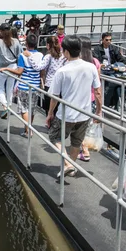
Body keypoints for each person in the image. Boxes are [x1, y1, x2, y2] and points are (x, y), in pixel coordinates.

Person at [46, 35, 101, 177]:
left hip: (66, 114)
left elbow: (54, 96)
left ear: (67, 52)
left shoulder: (62, 71)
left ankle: (68, 164)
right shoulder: (91, 67)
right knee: (77, 142)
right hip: (85, 113)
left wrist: (50, 113)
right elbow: (98, 91)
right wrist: (99, 111)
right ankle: (70, 167)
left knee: (54, 137)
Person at [1, 34, 43, 137]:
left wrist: (6, 69)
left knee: (24, 109)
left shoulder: (22, 55)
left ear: (26, 44)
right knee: (31, 109)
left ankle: (29, 130)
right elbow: (42, 71)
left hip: (24, 86)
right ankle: (27, 129)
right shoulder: (40, 55)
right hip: (35, 86)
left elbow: (19, 72)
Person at [24, 36, 66, 114]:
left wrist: (30, 56)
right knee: (58, 109)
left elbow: (38, 67)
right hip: (61, 84)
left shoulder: (48, 56)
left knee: (49, 108)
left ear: (48, 45)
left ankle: (49, 123)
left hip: (50, 84)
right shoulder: (63, 56)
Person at [78, 36, 102, 162]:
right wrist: (100, 109)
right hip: (92, 98)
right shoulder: (95, 62)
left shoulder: (77, 62)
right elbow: (97, 85)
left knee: (81, 125)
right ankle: (85, 148)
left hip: (79, 99)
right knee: (88, 125)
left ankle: (85, 150)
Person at [0, 23, 23, 118]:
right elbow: (19, 55)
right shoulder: (16, 41)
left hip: (2, 68)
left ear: (0, 31)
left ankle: (5, 106)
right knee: (9, 88)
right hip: (13, 67)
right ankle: (9, 105)